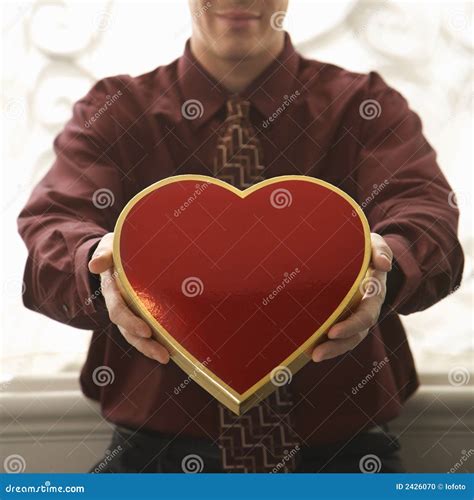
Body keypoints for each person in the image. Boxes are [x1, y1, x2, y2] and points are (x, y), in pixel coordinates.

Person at [17, 0, 463, 473]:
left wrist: (386, 270)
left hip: (346, 456)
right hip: (154, 457)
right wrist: (98, 270)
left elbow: (427, 213)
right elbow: (53, 222)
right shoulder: (115, 110)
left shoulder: (365, 106)